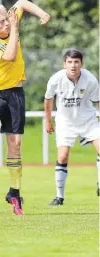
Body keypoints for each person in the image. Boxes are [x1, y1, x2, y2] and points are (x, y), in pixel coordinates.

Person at [0, 0, 50, 216]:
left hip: (16, 93)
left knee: (15, 145)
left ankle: (14, 193)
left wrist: (41, 13)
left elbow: (22, 2)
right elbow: (11, 55)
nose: (6, 22)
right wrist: (14, 28)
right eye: (1, 22)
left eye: (7, 19)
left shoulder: (9, 21)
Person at [44, 49, 100, 205]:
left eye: (76, 62)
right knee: (62, 156)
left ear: (81, 64)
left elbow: (98, 100)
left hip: (88, 120)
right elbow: (48, 99)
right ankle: (59, 197)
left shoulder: (90, 79)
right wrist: (48, 121)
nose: (73, 65)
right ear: (64, 64)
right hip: (65, 122)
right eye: (70, 62)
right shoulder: (56, 79)